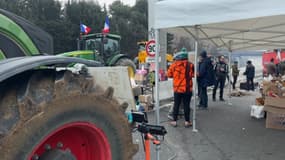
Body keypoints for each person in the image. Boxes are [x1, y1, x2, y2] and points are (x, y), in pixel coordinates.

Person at [167, 49, 194, 128]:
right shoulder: (191, 65)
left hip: (177, 89)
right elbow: (193, 74)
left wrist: (176, 76)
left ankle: (174, 121)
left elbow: (169, 75)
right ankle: (187, 121)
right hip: (187, 89)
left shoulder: (174, 65)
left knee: (176, 105)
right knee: (186, 105)